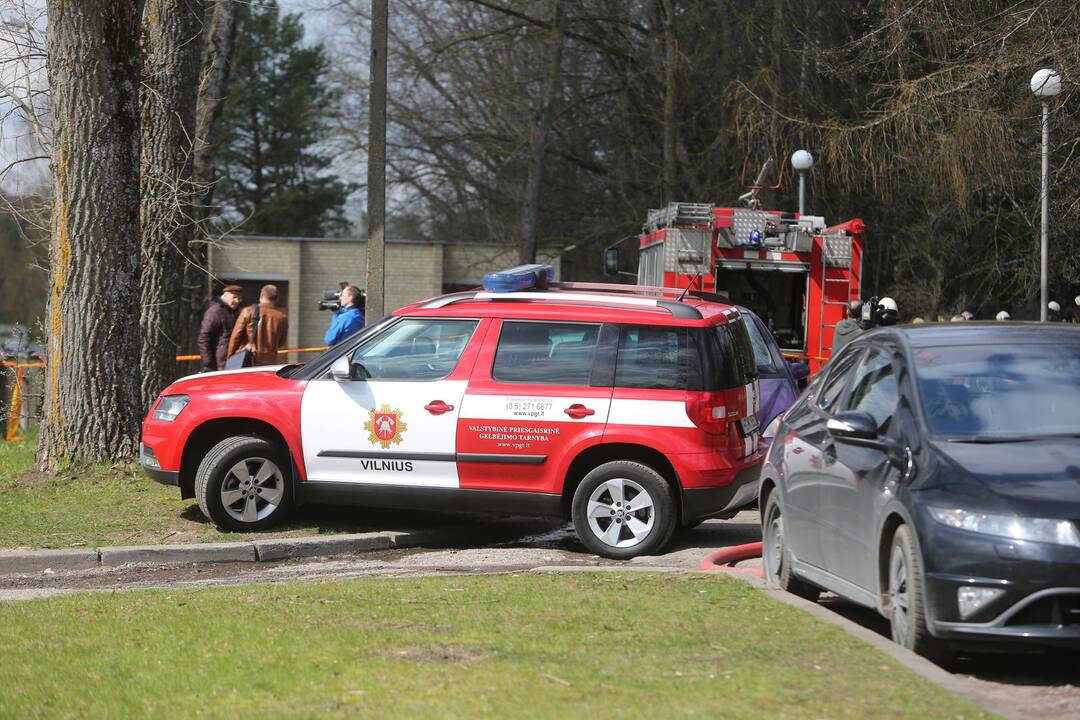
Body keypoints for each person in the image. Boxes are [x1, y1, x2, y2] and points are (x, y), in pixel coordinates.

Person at [228, 284, 288, 366]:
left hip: (250, 360)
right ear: (276, 299)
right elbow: (281, 343)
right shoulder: (282, 317)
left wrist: (230, 357)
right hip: (270, 362)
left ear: (261, 295)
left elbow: (235, 338)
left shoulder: (248, 311)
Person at [197, 285, 243, 372]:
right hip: (219, 364)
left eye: (239, 298)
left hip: (233, 361)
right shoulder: (214, 312)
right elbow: (203, 338)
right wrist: (208, 364)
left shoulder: (237, 312)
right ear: (225, 295)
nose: (237, 301)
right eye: (234, 297)